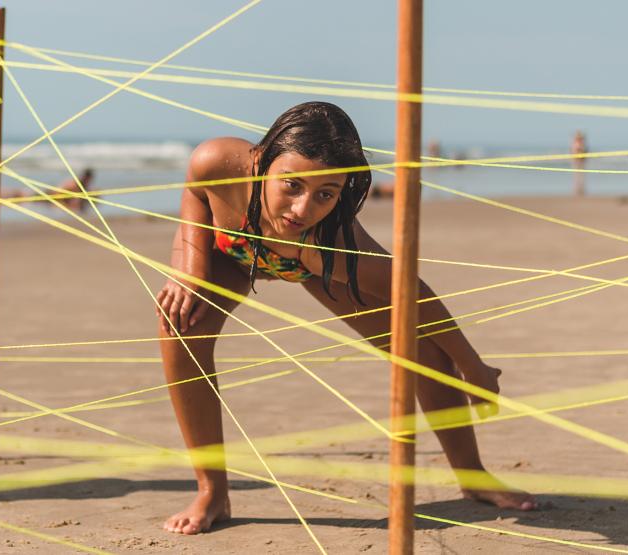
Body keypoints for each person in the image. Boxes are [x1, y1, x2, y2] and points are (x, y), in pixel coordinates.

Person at [154, 101, 536, 535]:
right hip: (231, 252)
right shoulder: (218, 160)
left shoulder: (332, 245)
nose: (302, 209)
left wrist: (473, 367)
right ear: (261, 162)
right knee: (179, 325)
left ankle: (472, 476)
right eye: (292, 185)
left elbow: (413, 295)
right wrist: (190, 269)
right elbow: (195, 190)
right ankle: (212, 491)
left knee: (420, 351)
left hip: (309, 265)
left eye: (325, 194)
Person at [1, 168, 95, 212]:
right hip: (49, 195)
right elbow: (61, 191)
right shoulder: (76, 184)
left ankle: (3, 195)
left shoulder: (81, 185)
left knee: (23, 196)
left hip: (51, 197)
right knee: (23, 196)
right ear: (87, 177)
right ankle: (2, 193)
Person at [571, 130, 588, 196]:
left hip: (581, 160)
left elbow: (585, 151)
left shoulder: (582, 143)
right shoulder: (575, 143)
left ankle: (581, 188)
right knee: (577, 175)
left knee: (581, 175)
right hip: (576, 160)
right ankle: (577, 188)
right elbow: (573, 151)